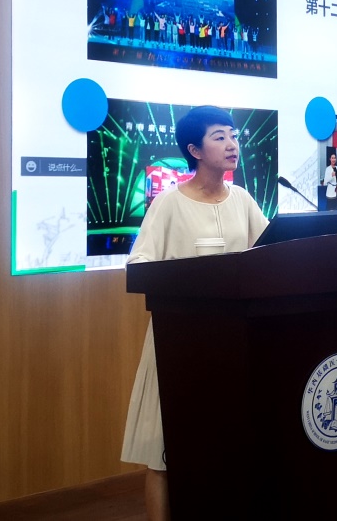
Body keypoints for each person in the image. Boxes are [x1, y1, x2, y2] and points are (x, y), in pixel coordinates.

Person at [120, 106, 269, 521]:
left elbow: (271, 251)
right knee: (164, 452)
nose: (232, 144)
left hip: (235, 345)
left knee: (229, 446)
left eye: (233, 135)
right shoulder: (168, 203)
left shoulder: (242, 200)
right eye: (219, 136)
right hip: (178, 343)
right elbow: (139, 265)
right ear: (194, 150)